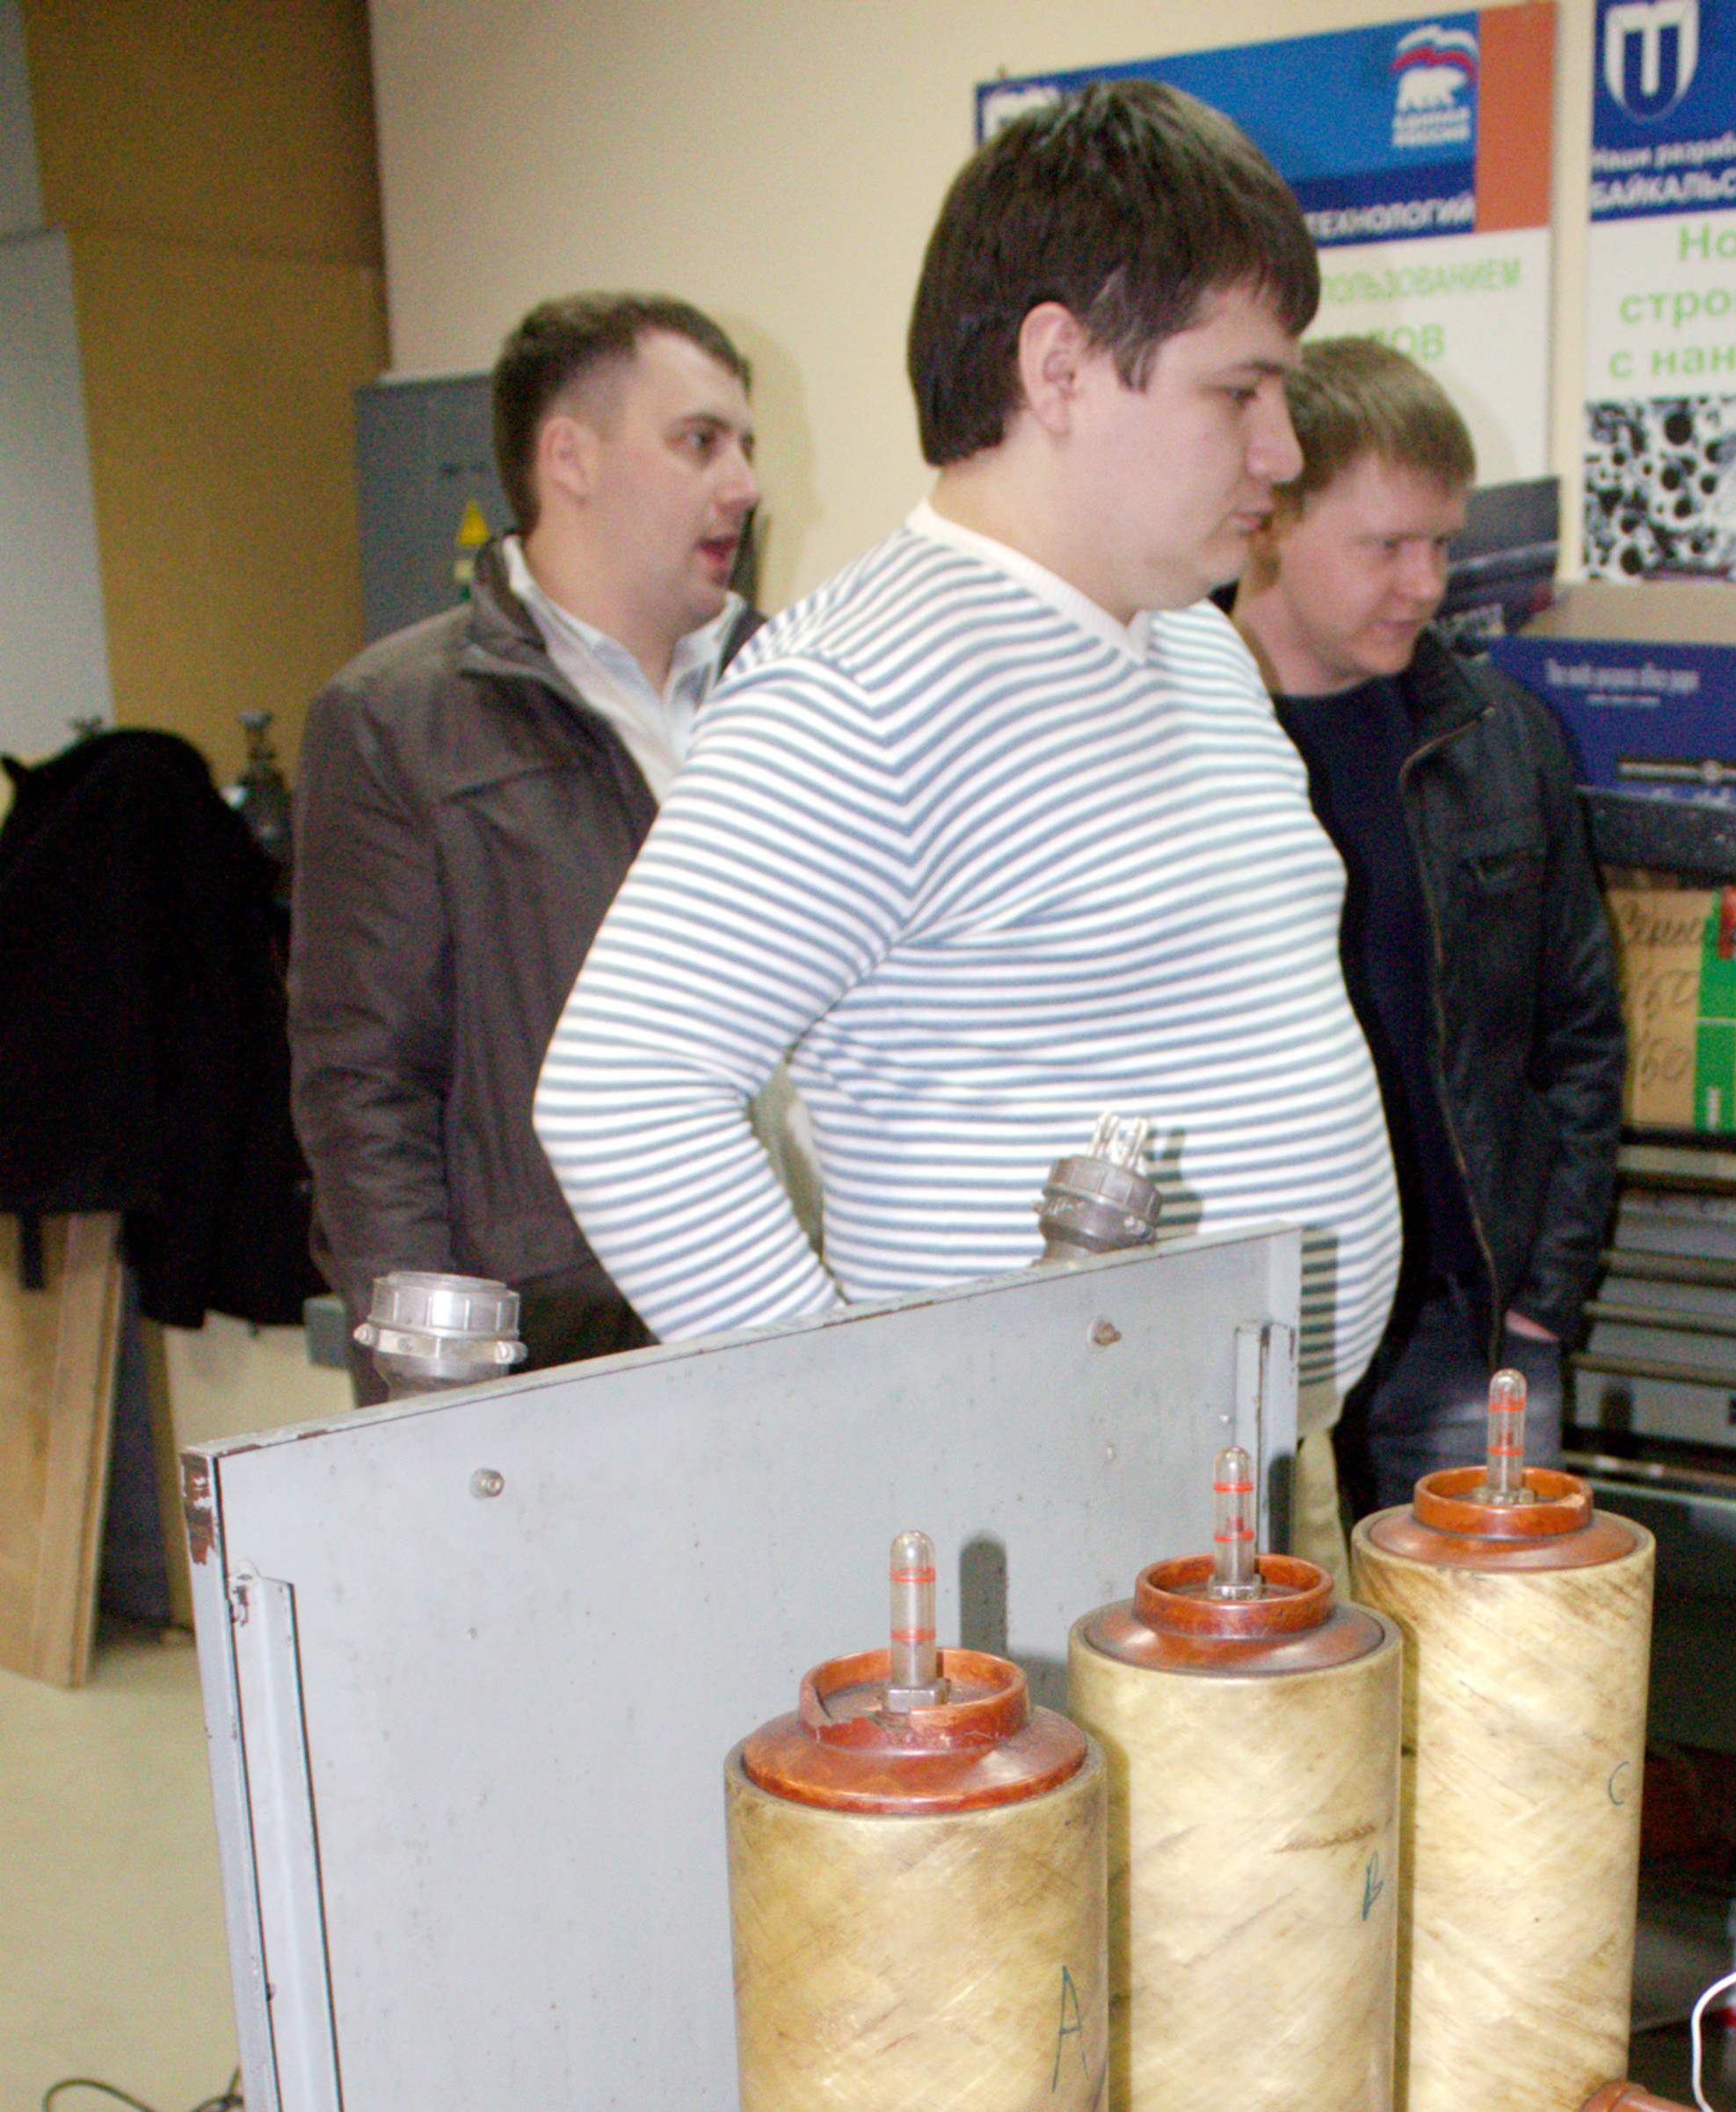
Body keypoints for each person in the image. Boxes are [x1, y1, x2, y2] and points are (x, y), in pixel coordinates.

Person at [534, 87, 1397, 1554]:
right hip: (1038, 1517)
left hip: (1255, 1477)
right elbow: (625, 1096)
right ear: (1060, 368)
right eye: (1239, 393)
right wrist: (871, 1443)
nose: (1282, 450)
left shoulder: (1195, 649)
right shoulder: (864, 686)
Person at [291, 294, 760, 1401]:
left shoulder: (787, 688)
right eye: (700, 442)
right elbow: (364, 1090)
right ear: (569, 458)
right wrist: (432, 1395)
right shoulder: (397, 721)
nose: (744, 484)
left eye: (747, 446)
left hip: (782, 1310)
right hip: (560, 1348)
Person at [1227, 339, 1624, 1515]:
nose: (1425, 584)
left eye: (1443, 545)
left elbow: (1582, 1031)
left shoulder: (1501, 738)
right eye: (1386, 546)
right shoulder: (1176, 733)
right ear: (1268, 521)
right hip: (1251, 1344)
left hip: (1467, 1331)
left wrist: (1544, 1297)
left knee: (1497, 1636)